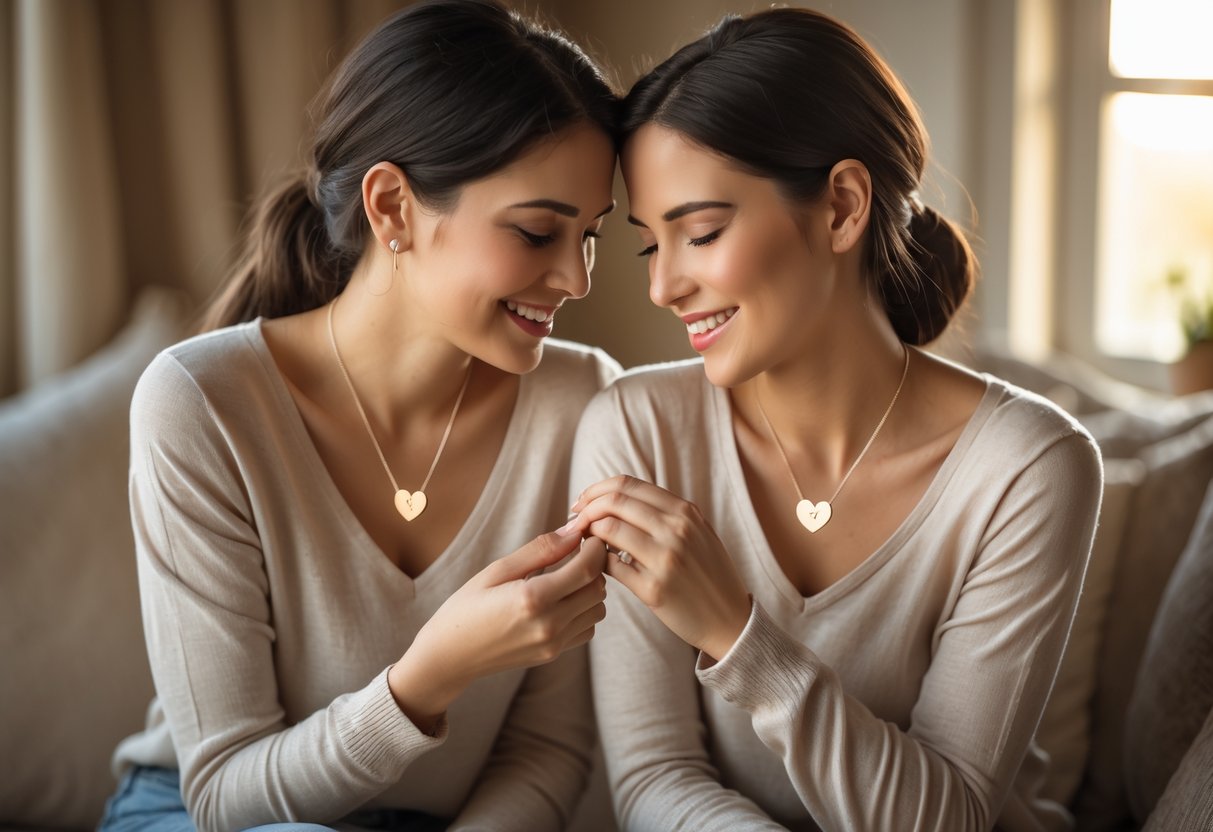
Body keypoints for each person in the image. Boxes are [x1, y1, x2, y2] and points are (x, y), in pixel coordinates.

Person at [566, 8, 1102, 831]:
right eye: (648, 244)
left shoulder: (1029, 467)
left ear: (843, 207)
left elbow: (950, 816)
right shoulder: (635, 430)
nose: (661, 287)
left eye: (701, 233)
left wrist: (736, 633)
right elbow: (652, 780)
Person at [100, 1, 620, 830]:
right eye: (535, 232)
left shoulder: (585, 403)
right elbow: (223, 794)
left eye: (589, 236)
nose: (575, 279)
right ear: (391, 208)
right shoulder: (202, 402)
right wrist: (427, 678)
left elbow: (547, 751)